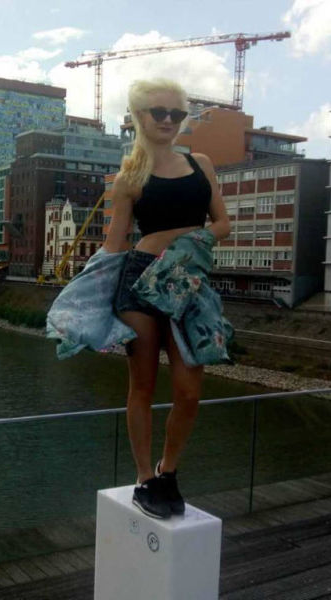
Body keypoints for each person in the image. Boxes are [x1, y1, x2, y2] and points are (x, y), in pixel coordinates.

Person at [102, 78, 231, 519]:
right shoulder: (129, 176)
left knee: (189, 391)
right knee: (141, 385)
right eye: (159, 112)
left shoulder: (200, 164)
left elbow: (222, 224)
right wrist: (87, 300)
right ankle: (144, 478)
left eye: (176, 114)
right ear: (139, 116)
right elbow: (115, 244)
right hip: (139, 281)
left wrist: (184, 242)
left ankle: (168, 470)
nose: (168, 120)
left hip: (188, 283)